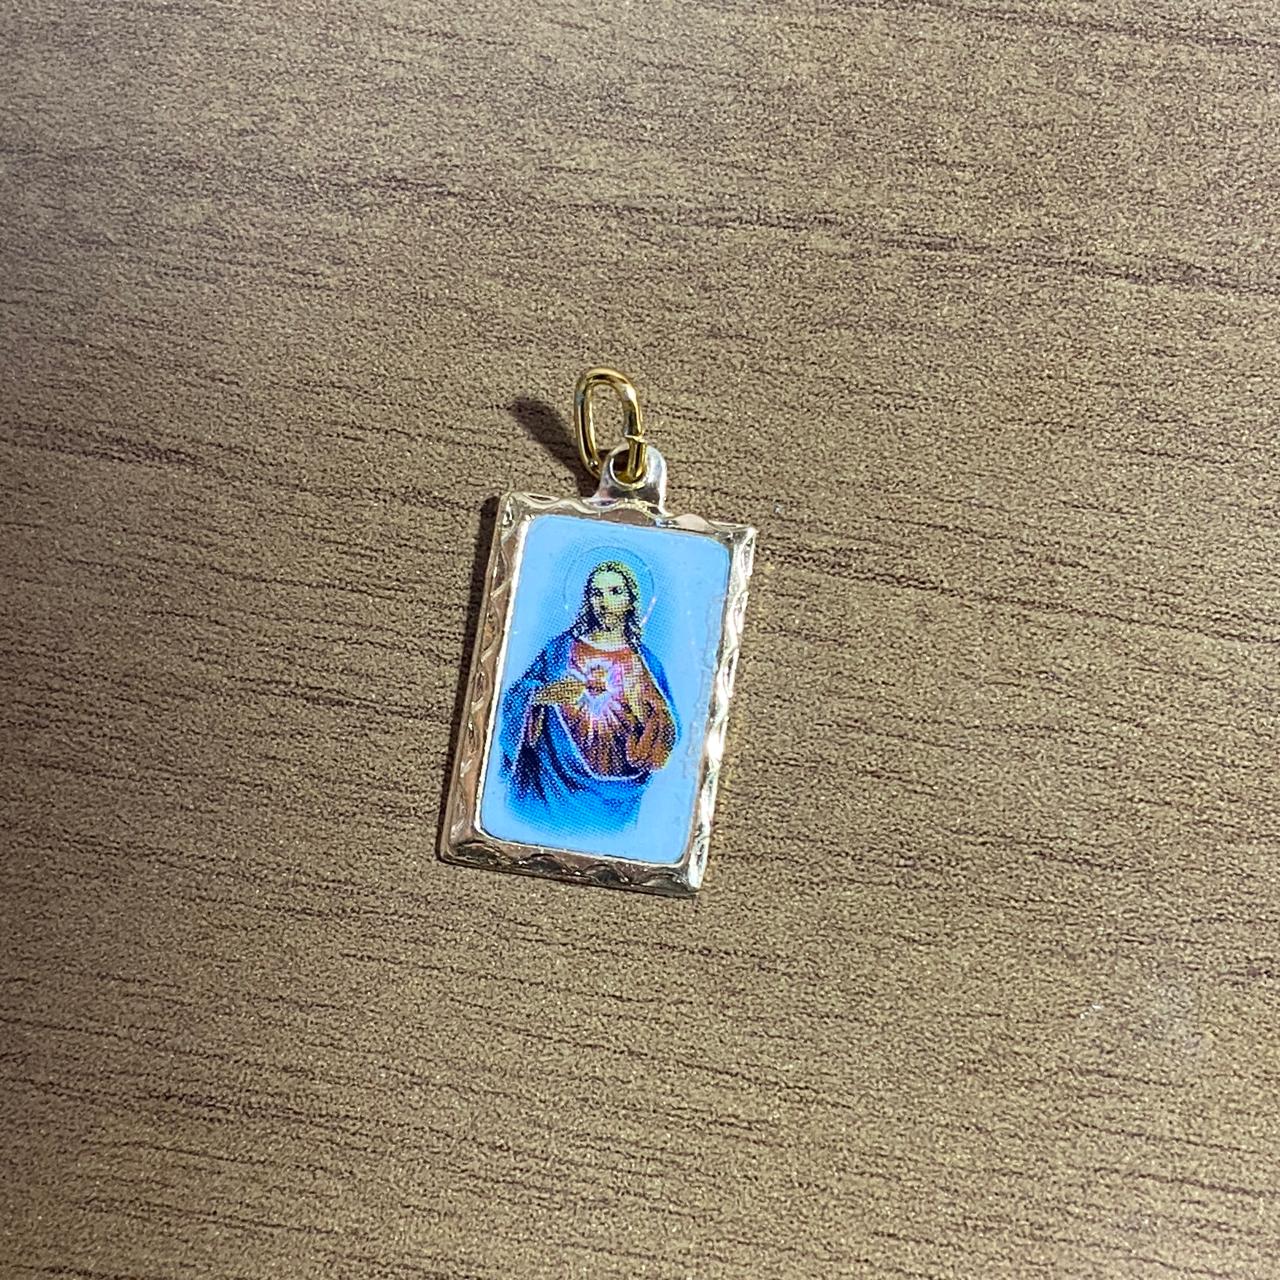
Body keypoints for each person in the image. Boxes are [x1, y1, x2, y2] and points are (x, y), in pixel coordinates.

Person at [498, 559, 677, 832]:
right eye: (597, 593)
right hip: (553, 781)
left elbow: (666, 731)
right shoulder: (560, 650)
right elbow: (514, 698)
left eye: (615, 592)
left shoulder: (646, 662)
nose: (604, 602)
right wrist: (541, 695)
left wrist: (645, 714)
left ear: (631, 600)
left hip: (618, 793)